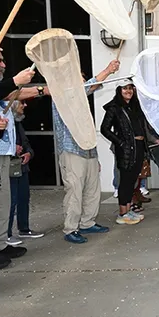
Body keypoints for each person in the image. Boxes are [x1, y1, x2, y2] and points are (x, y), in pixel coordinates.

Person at [0, 54, 45, 269]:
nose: (3, 64)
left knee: (3, 200)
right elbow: (5, 94)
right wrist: (42, 89)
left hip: (1, 146)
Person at [55, 60, 119, 244]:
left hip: (88, 151)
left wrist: (94, 155)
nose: (82, 84)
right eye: (80, 80)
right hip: (71, 150)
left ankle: (87, 222)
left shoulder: (82, 104)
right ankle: (70, 228)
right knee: (74, 191)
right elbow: (89, 86)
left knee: (92, 189)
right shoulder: (61, 96)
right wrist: (107, 70)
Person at [101, 80, 155, 225]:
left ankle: (128, 210)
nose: (128, 91)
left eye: (130, 88)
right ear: (119, 90)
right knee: (125, 182)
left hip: (138, 147)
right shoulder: (115, 107)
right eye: (125, 88)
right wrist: (121, 143)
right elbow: (104, 129)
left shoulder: (134, 106)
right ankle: (122, 214)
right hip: (127, 149)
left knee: (132, 181)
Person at [7, 101, 44, 246]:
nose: (25, 105)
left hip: (21, 167)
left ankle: (24, 228)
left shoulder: (18, 123)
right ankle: (7, 234)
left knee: (23, 198)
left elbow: (26, 143)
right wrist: (11, 148)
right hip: (8, 168)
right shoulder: (3, 122)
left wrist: (29, 153)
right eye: (22, 102)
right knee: (10, 201)